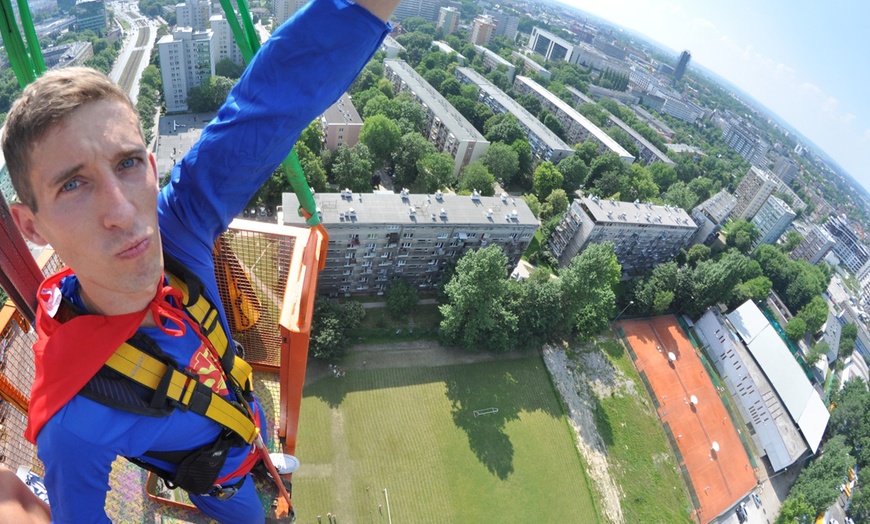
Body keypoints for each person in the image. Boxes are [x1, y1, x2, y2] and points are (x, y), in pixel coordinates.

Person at [5, 0, 398, 522]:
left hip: (242, 428)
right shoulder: (72, 420)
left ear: (150, 167)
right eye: (73, 185)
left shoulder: (179, 227)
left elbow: (272, 99)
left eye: (127, 165)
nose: (122, 213)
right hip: (215, 481)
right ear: (30, 226)